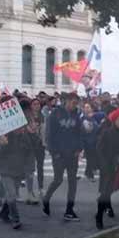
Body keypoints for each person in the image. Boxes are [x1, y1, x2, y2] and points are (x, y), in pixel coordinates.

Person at [43, 93, 83, 221]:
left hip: (72, 154)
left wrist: (79, 148)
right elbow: (49, 135)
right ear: (66, 101)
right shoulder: (55, 114)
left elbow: (80, 133)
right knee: (58, 180)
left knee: (72, 182)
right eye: (73, 103)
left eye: (76, 103)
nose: (74, 105)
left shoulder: (76, 116)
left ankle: (69, 210)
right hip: (59, 154)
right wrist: (54, 152)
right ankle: (46, 198)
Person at [0, 124, 38, 230]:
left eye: (22, 127)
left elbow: (32, 150)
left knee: (11, 195)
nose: (20, 129)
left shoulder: (25, 137)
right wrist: (2, 144)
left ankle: (3, 213)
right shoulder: (4, 136)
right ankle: (15, 219)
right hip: (6, 171)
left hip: (18, 171)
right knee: (12, 195)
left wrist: (33, 134)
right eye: (19, 127)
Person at [23, 99, 47, 204]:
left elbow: (44, 130)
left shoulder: (42, 116)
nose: (37, 106)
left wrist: (45, 142)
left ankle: (41, 188)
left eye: (38, 104)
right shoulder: (27, 116)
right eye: (35, 104)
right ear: (31, 106)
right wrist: (29, 129)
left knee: (40, 166)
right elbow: (25, 129)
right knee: (30, 168)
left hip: (40, 144)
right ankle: (30, 191)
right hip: (30, 145)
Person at [80, 102, 106, 181]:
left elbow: (97, 127)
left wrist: (101, 124)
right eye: (85, 107)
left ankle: (88, 172)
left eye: (88, 107)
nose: (87, 109)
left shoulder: (94, 117)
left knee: (91, 158)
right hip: (86, 141)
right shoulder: (83, 118)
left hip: (94, 140)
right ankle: (89, 174)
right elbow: (86, 129)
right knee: (90, 158)